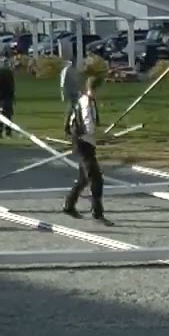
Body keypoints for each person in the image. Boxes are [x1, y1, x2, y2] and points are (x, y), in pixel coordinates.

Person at [62, 77, 111, 225]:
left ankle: (69, 205)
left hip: (85, 142)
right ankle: (97, 213)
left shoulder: (84, 100)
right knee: (96, 179)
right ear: (96, 89)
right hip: (84, 143)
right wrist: (104, 135)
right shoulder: (87, 103)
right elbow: (89, 127)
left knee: (84, 178)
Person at [0, 65, 16, 138]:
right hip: (3, 97)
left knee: (7, 114)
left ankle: (6, 131)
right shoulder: (0, 76)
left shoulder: (6, 75)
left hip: (6, 97)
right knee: (4, 114)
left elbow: (12, 86)